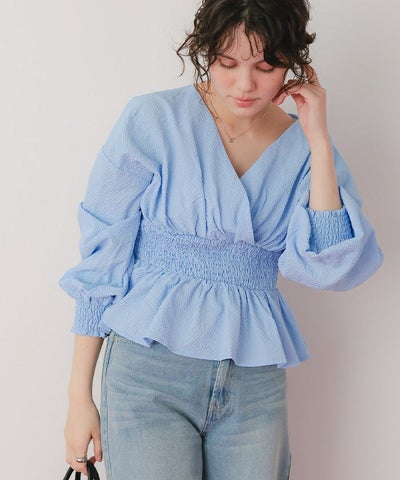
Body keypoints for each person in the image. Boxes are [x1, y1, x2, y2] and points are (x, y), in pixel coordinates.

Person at [59, 0, 383, 478]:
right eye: (227, 63)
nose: (244, 84)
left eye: (265, 66)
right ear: (205, 52)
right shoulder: (154, 119)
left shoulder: (306, 149)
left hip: (254, 381)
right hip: (148, 371)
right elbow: (103, 257)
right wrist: (78, 396)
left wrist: (317, 141)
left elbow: (329, 266)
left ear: (292, 64)